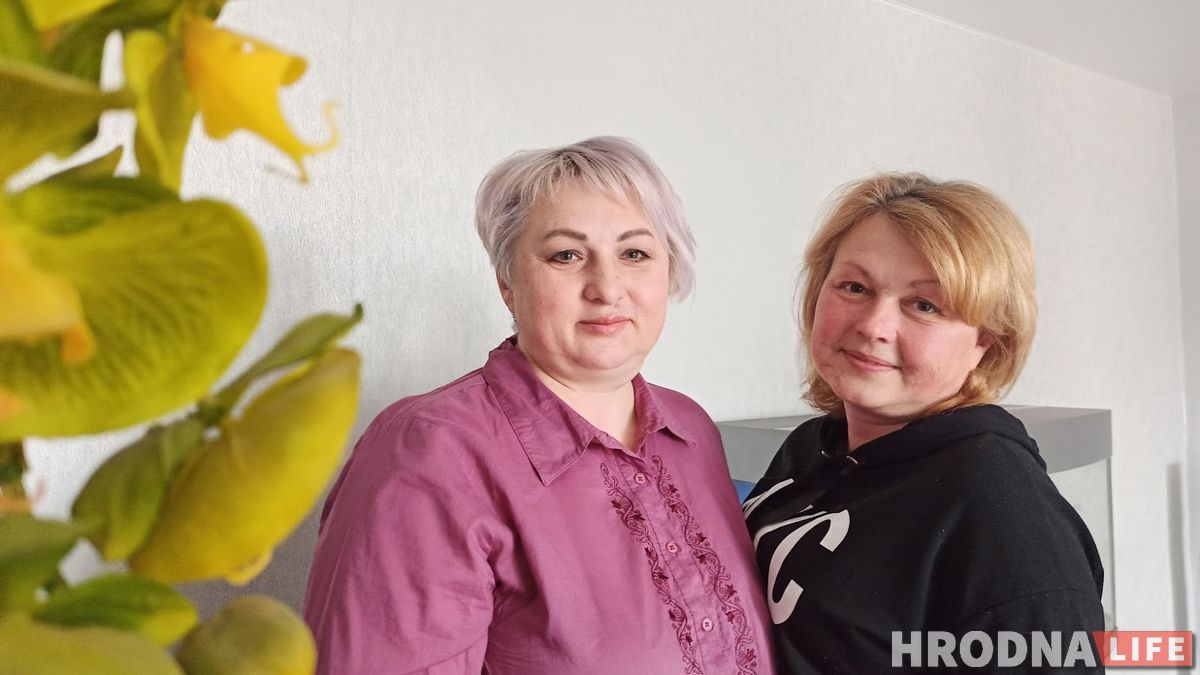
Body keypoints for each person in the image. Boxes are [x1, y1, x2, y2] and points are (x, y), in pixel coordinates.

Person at [304, 136, 774, 674]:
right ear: (507, 281)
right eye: (566, 255)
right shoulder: (428, 450)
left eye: (634, 253)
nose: (607, 287)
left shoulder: (691, 429)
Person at [744, 173, 1104, 672]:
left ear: (986, 341)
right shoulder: (814, 447)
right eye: (854, 287)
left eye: (924, 305)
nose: (873, 326)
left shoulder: (1000, 508)